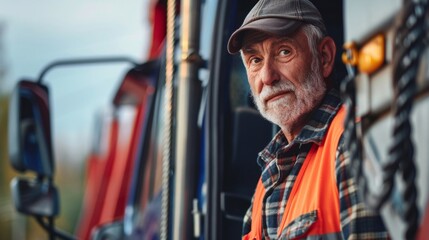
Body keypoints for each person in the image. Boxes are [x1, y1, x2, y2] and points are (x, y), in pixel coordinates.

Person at [227, 0, 390, 239]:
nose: (267, 76)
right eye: (255, 60)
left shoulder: (351, 142)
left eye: (284, 51)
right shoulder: (269, 175)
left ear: (324, 57)